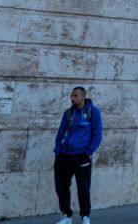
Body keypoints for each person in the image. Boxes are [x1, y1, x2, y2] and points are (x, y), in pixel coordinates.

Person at [54, 87, 102, 224]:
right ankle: (67, 216)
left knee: (83, 187)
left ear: (83, 96)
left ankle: (85, 216)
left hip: (82, 155)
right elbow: (60, 132)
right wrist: (57, 150)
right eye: (71, 95)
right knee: (61, 186)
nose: (72, 98)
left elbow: (97, 134)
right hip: (64, 154)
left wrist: (89, 152)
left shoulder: (93, 112)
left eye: (75, 96)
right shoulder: (68, 113)